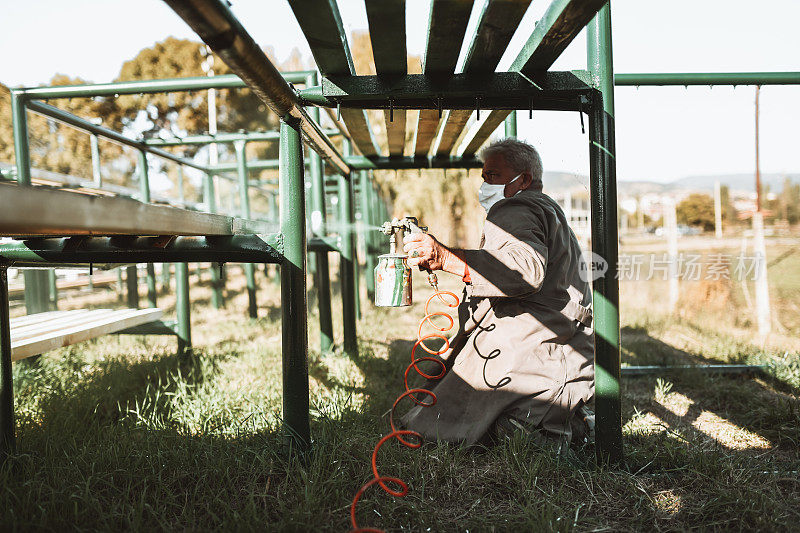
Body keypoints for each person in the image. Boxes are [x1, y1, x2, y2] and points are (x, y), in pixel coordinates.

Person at [401, 138, 594, 448]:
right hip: (557, 344)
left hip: (537, 347)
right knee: (444, 407)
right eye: (484, 175)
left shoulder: (515, 206)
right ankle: (561, 421)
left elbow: (526, 270)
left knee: (435, 427)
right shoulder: (547, 209)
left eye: (492, 175)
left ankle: (559, 428)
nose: (484, 183)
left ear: (524, 179)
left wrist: (445, 257)